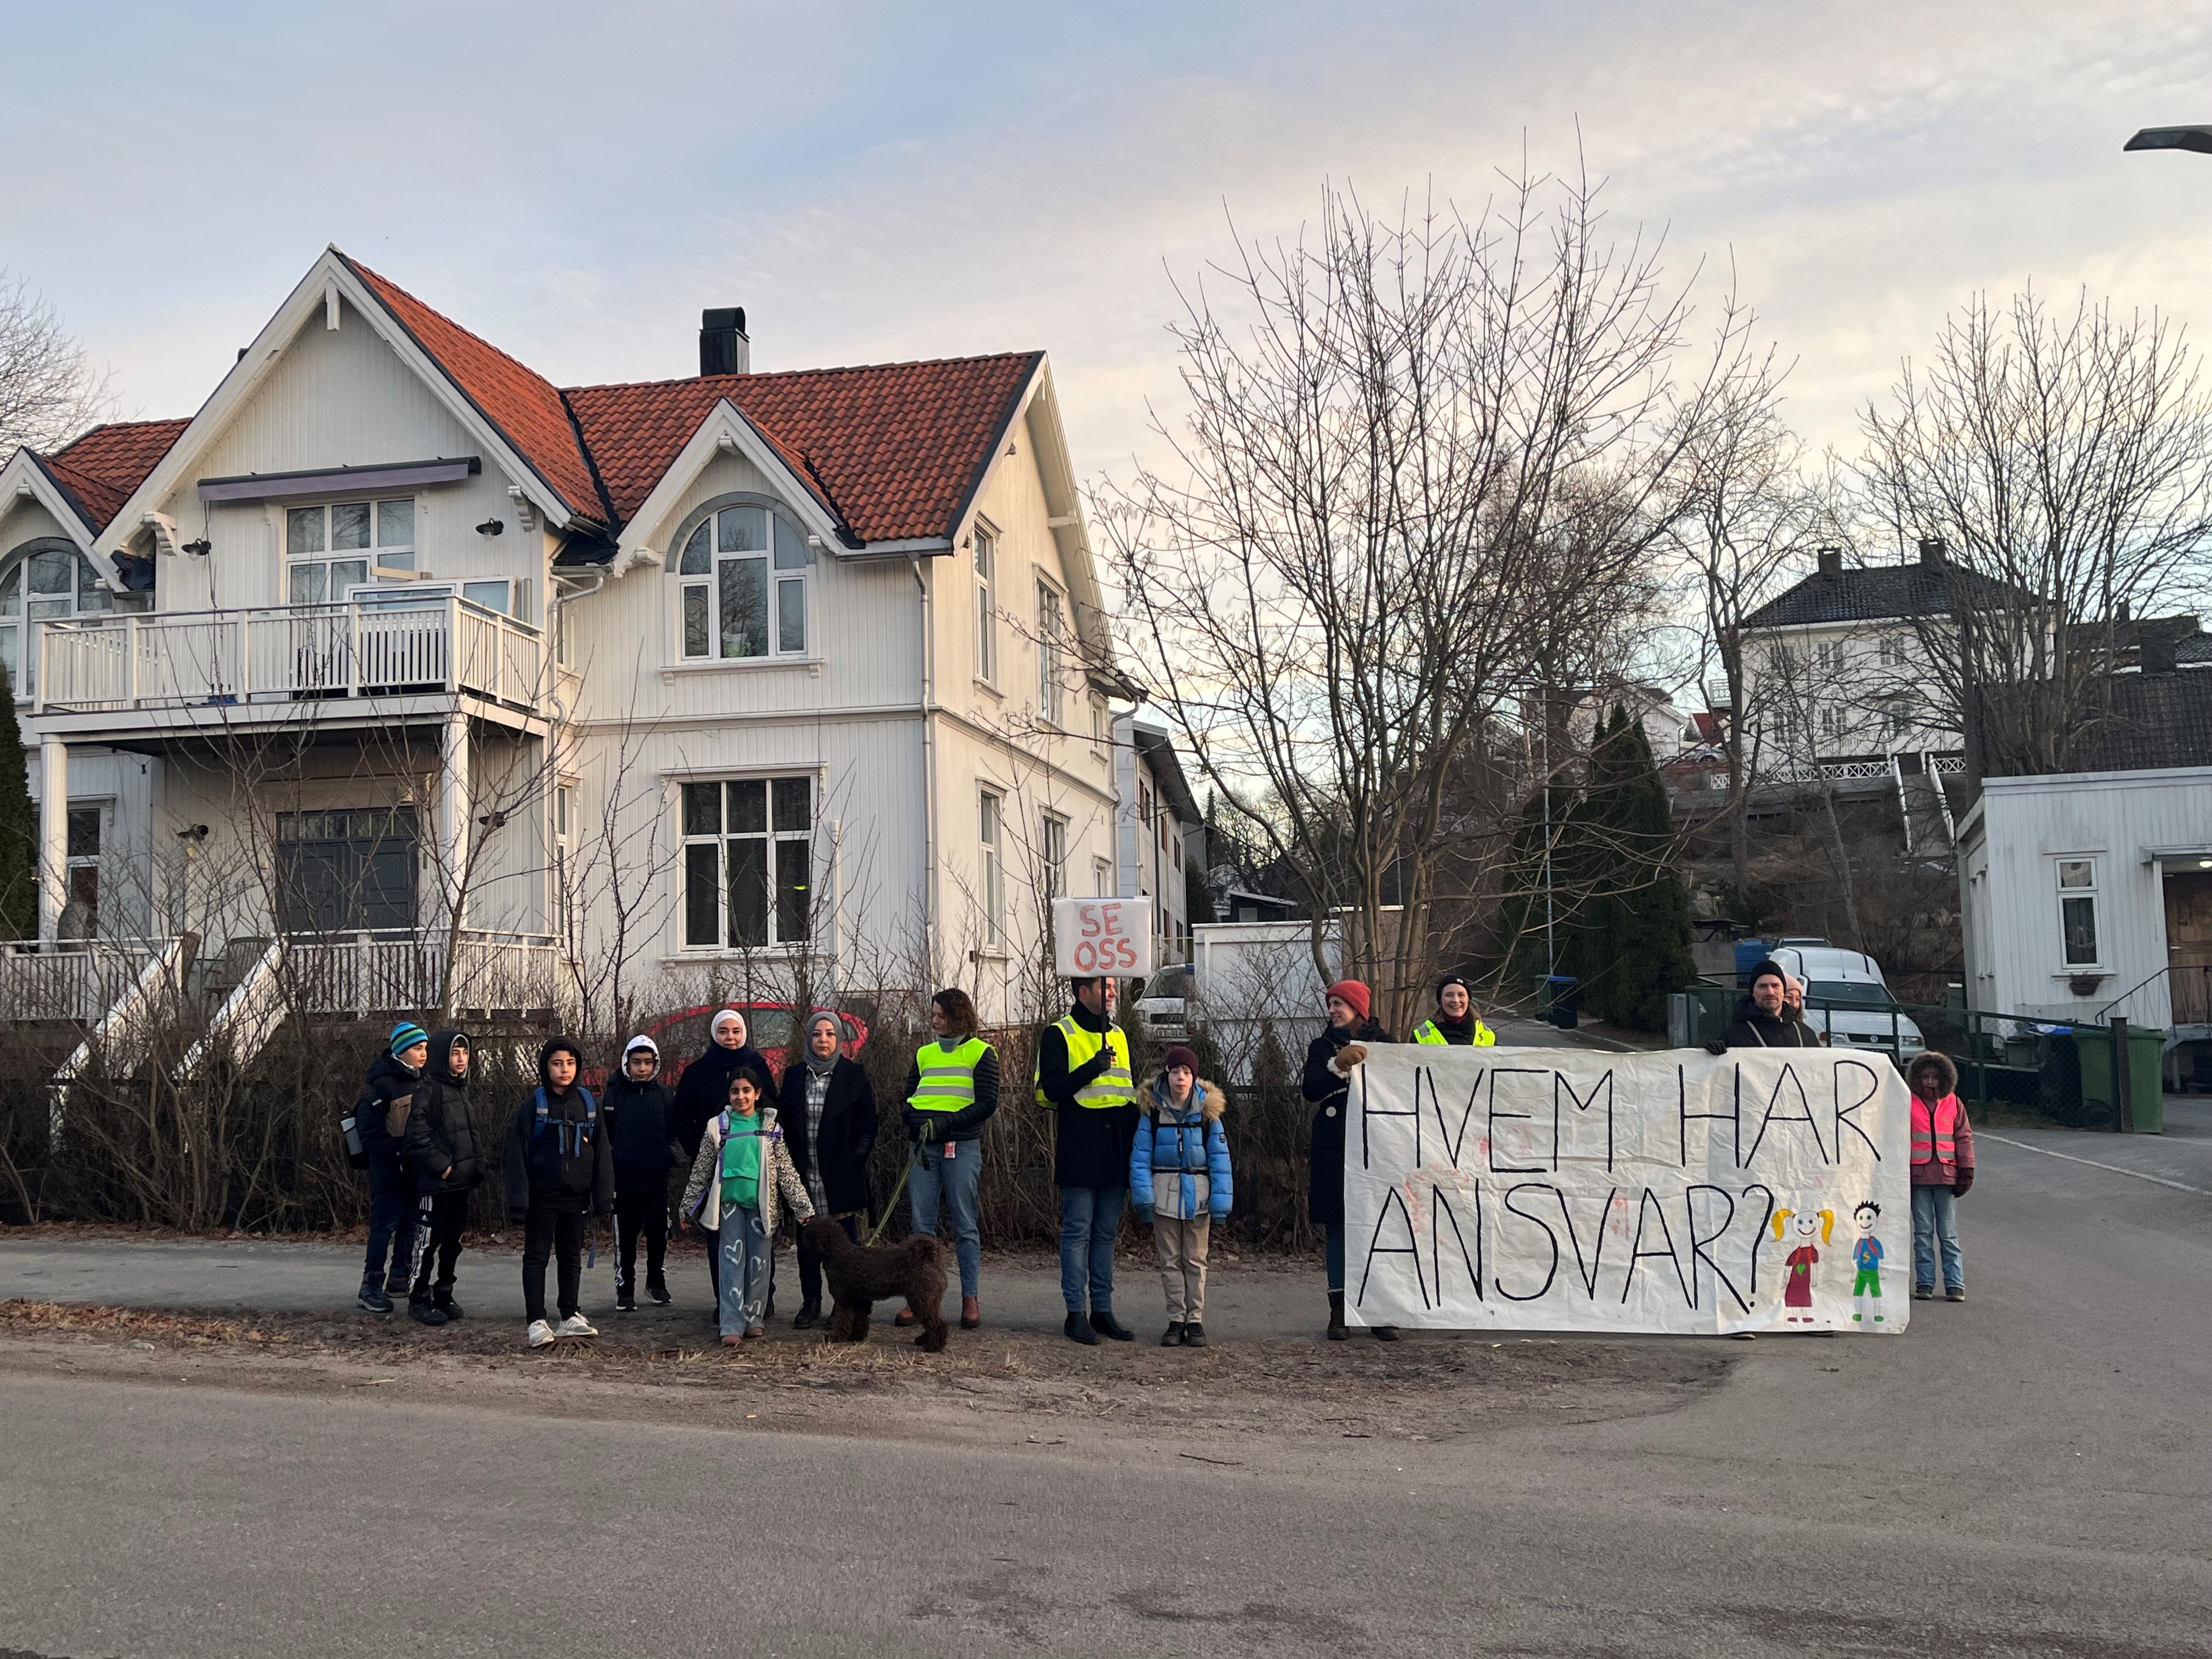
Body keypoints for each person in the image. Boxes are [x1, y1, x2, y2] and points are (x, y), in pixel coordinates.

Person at [1035, 974, 1140, 1345]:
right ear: (1084, 992)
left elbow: (1128, 1091)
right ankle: (1075, 1313)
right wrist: (1090, 1068)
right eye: (1106, 987)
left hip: (1116, 1144)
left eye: (1114, 987)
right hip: (1080, 1143)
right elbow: (1050, 1091)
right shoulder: (1058, 1034)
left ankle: (1103, 1310)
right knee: (1078, 1230)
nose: (1113, 993)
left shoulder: (1120, 1035)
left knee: (1106, 1234)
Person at [680, 1066, 812, 1344]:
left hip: (762, 1208)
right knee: (730, 1264)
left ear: (758, 1093)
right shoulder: (718, 1127)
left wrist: (802, 1208)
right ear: (729, 1095)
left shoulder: (770, 1128)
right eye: (735, 1091)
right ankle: (731, 1323)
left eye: (746, 1091)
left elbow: (786, 1171)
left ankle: (754, 1318)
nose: (741, 1097)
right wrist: (687, 1206)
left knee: (759, 1265)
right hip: (730, 1206)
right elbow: (702, 1169)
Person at [503, 1037, 614, 1349]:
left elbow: (603, 1152)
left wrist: (603, 1196)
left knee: (571, 1256)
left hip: (577, 1196)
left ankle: (569, 1315)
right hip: (542, 1196)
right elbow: (516, 1156)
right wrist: (518, 1202)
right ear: (545, 1067)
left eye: (570, 1063)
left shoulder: (589, 1104)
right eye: (557, 1063)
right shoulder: (533, 1107)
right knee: (537, 1257)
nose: (564, 1070)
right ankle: (536, 1319)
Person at [899, 988, 998, 1331]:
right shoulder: (924, 1053)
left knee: (964, 1224)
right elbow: (909, 1096)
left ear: (958, 1016)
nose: (936, 1021)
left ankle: (970, 1298)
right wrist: (913, 1121)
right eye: (934, 1015)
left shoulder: (981, 1053)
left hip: (961, 1147)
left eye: (941, 1015)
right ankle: (920, 1299)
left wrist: (945, 1124)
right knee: (921, 1226)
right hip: (923, 1149)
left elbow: (986, 1104)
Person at [1304, 980, 1396, 1342]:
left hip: (1378, 1150)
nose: (1333, 1010)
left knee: (1379, 1229)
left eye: (1340, 1003)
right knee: (1339, 1230)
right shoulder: (1320, 1047)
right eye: (1331, 1004)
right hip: (1334, 1148)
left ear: (1359, 1008)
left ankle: (1380, 1310)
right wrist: (1336, 1067)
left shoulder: (1386, 1045)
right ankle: (1339, 1311)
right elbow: (1310, 1090)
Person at [778, 1012, 878, 1329]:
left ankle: (845, 1305)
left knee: (845, 1248)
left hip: (840, 1174)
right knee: (807, 1244)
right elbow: (786, 1123)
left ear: (838, 1039)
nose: (823, 1040)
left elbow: (870, 1121)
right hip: (803, 1173)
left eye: (830, 1034)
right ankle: (811, 1303)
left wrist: (857, 1158)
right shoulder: (794, 1075)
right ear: (808, 1038)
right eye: (817, 1034)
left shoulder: (853, 1073)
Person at [1131, 1044, 1232, 1348]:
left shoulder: (1208, 1115)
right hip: (1163, 1197)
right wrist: (1144, 1200)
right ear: (1167, 1074)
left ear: (1194, 1077)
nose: (1180, 1078)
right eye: (1175, 1071)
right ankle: (1176, 1320)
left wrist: (1221, 1205)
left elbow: (1220, 1159)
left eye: (1187, 1072)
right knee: (1170, 1261)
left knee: (1196, 1260)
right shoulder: (1151, 1114)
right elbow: (1139, 1158)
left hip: (1198, 1198)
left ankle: (1195, 1321)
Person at [670, 1008, 772, 1311]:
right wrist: (699, 1149)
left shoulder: (758, 1066)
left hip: (755, 1167)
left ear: (744, 1034)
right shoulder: (697, 1071)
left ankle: (761, 1301)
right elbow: (681, 1117)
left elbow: (771, 1108)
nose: (730, 1037)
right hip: (713, 1168)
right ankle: (725, 1302)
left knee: (759, 1236)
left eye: (736, 1031)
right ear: (715, 1034)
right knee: (719, 1237)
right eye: (724, 1032)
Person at [399, 1029, 485, 1327]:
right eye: (454, 1053)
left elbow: (467, 1135)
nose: (461, 1060)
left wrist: (476, 1166)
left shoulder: (461, 1089)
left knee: (453, 1242)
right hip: (436, 1184)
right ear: (441, 1056)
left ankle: (444, 1291)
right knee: (428, 1243)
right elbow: (416, 1136)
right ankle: (418, 1296)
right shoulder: (429, 1089)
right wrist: (443, 1167)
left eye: (465, 1053)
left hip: (461, 1183)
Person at [604, 1034, 681, 1312]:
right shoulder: (614, 1097)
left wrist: (671, 1154)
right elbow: (605, 1136)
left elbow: (674, 1132)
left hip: (656, 1179)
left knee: (658, 1233)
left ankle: (656, 1281)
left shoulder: (664, 1096)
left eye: (648, 1062)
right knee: (625, 1238)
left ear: (655, 1064)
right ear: (627, 1063)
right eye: (636, 1062)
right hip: (624, 1182)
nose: (642, 1068)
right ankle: (625, 1287)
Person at [356, 1022, 427, 1313]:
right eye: (416, 1048)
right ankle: (370, 1285)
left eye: (425, 1048)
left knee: (410, 1223)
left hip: (414, 1169)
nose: (423, 1054)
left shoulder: (422, 1081)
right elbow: (369, 1130)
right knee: (384, 1227)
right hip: (389, 1172)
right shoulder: (383, 1085)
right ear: (400, 1051)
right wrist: (395, 1155)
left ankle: (400, 1277)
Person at [1906, 1049, 1974, 1302]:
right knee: (1923, 1233)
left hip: (1947, 1177)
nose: (1930, 1082)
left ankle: (1955, 1284)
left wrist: (1966, 1170)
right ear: (1917, 1078)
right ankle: (1925, 1283)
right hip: (1919, 1178)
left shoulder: (1954, 1103)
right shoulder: (1908, 1102)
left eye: (1935, 1077)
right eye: (1926, 1077)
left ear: (1944, 1078)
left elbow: (1964, 1137)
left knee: (1948, 1234)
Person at [1706, 960, 1821, 1051]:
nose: (1770, 992)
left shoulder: (1805, 1034)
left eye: (1775, 986)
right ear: (1753, 993)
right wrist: (1710, 1055)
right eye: (1762, 986)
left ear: (1784, 992)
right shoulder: (1734, 1037)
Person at [1412, 975, 1496, 1047]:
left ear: (1468, 1000)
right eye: (1449, 995)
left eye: (1461, 995)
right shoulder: (1420, 1037)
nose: (1456, 1000)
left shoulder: (1488, 1035)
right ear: (1440, 1001)